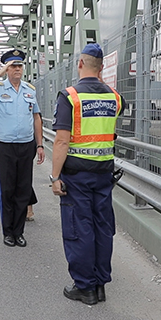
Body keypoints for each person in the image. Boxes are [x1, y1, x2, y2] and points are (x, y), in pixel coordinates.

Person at [50, 43, 125, 305]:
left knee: (79, 229)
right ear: (101, 67)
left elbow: (61, 141)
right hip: (104, 174)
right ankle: (100, 284)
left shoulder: (69, 96)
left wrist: (54, 177)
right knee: (103, 228)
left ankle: (85, 287)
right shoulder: (115, 97)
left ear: (79, 64)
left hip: (77, 176)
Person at [0, 49, 45, 248]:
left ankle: (18, 231)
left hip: (26, 145)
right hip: (5, 146)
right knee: (7, 189)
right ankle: (7, 231)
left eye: (19, 66)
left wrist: (39, 144)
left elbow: (36, 117)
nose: (17, 69)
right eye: (12, 66)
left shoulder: (29, 90)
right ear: (6, 69)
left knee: (23, 189)